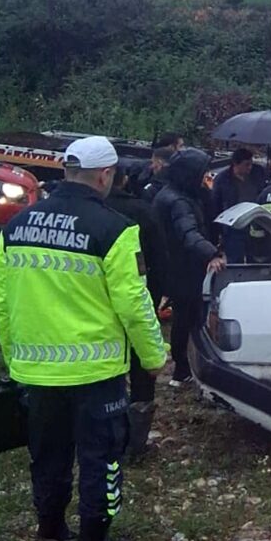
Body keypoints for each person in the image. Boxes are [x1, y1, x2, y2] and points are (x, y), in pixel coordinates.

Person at [0, 136, 167, 541]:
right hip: (95, 373)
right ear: (106, 175)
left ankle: (50, 535)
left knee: (47, 456)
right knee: (101, 459)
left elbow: (1, 302)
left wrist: (15, 357)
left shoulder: (16, 226)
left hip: (36, 372)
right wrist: (153, 357)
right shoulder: (115, 229)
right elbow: (135, 303)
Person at [104, 162, 169, 459]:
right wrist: (158, 296)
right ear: (125, 180)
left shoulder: (90, 212)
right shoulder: (142, 211)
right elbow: (159, 256)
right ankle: (136, 443)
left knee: (106, 370)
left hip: (96, 306)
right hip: (139, 295)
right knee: (142, 369)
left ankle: (105, 431)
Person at [153, 149, 225, 387]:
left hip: (175, 266)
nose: (204, 178)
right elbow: (189, 234)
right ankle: (182, 370)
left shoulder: (173, 194)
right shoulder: (178, 201)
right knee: (187, 320)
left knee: (185, 319)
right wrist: (212, 254)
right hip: (183, 269)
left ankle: (184, 367)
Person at [211, 148, 267, 263]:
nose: (249, 168)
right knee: (235, 260)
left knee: (256, 259)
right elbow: (216, 204)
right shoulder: (222, 179)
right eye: (246, 165)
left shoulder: (258, 173)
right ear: (236, 164)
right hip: (233, 226)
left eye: (251, 164)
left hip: (255, 223)